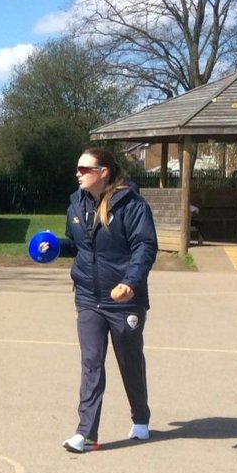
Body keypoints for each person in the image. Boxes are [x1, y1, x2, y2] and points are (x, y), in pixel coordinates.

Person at [48, 148, 158, 453]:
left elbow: (145, 246)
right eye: (78, 169)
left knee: (129, 361)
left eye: (85, 169)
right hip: (87, 295)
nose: (78, 173)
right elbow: (81, 246)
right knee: (91, 362)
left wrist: (130, 282)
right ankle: (87, 433)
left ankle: (140, 418)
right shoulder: (76, 204)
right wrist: (54, 246)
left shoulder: (131, 205)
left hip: (123, 298)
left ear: (104, 172)